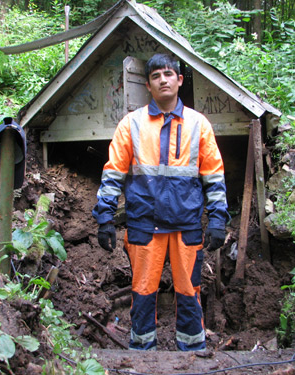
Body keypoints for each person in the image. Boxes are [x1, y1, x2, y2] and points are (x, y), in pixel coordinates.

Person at [92, 53, 229, 351]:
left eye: (169, 74)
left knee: (189, 291)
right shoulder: (131, 124)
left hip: (186, 227)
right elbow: (113, 173)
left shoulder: (198, 124)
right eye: (156, 76)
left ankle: (192, 354)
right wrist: (104, 217)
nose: (163, 80)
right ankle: (142, 355)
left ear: (179, 80)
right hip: (144, 226)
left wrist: (218, 219)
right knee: (142, 292)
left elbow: (214, 177)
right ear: (148, 85)